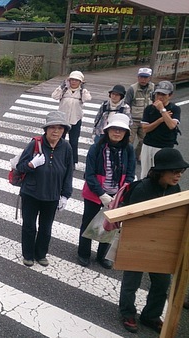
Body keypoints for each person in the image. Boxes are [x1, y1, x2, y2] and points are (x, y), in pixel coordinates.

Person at [119, 148, 189, 334]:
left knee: (162, 283)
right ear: (161, 171)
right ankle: (127, 313)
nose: (178, 175)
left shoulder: (175, 189)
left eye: (181, 172)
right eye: (174, 171)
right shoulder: (142, 189)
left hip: (162, 243)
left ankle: (150, 315)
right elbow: (131, 218)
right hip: (137, 243)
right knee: (131, 282)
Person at [16, 111, 73, 267]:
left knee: (46, 228)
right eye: (52, 128)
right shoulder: (35, 144)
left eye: (60, 128)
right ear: (46, 129)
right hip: (31, 193)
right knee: (29, 226)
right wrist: (31, 165)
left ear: (64, 131)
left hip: (52, 195)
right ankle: (28, 254)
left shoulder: (66, 147)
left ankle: (41, 254)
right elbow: (20, 167)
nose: (56, 131)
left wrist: (65, 195)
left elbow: (69, 172)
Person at [78, 114, 136, 268]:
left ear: (125, 133)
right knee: (88, 223)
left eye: (121, 130)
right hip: (95, 193)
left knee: (110, 225)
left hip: (117, 194)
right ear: (107, 130)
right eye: (114, 129)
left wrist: (120, 193)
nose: (117, 132)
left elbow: (130, 174)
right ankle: (83, 253)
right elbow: (89, 175)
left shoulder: (128, 149)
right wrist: (102, 194)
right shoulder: (96, 148)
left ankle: (102, 255)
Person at [139, 80, 180, 179]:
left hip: (165, 146)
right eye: (158, 94)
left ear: (170, 95)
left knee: (161, 174)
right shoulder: (149, 109)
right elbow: (145, 129)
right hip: (148, 144)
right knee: (145, 174)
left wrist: (162, 110)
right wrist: (160, 120)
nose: (160, 97)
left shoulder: (175, 109)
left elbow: (171, 125)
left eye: (163, 94)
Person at [51, 71, 92, 168]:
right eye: (72, 80)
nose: (74, 82)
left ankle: (72, 162)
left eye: (76, 80)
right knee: (60, 140)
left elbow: (88, 98)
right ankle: (57, 159)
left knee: (73, 141)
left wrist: (83, 89)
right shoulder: (65, 90)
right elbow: (54, 96)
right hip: (62, 120)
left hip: (76, 119)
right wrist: (61, 87)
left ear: (80, 82)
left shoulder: (81, 92)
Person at [125, 68, 155, 163]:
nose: (143, 79)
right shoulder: (132, 89)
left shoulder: (154, 88)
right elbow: (126, 104)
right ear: (138, 77)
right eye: (141, 77)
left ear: (149, 78)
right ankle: (127, 158)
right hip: (133, 119)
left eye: (146, 77)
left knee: (145, 141)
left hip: (146, 120)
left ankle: (137, 156)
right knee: (129, 141)